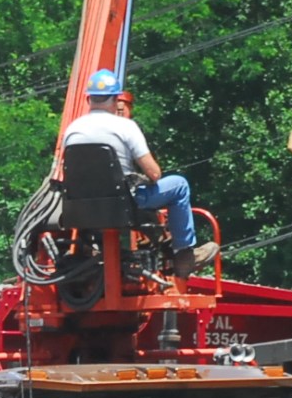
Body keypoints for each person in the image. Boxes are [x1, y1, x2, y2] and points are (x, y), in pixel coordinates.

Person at [61, 70, 218, 276]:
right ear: (116, 99)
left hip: (83, 209)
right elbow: (154, 174)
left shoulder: (72, 130)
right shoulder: (126, 127)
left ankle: (89, 250)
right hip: (123, 205)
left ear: (89, 98)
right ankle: (184, 256)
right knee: (179, 185)